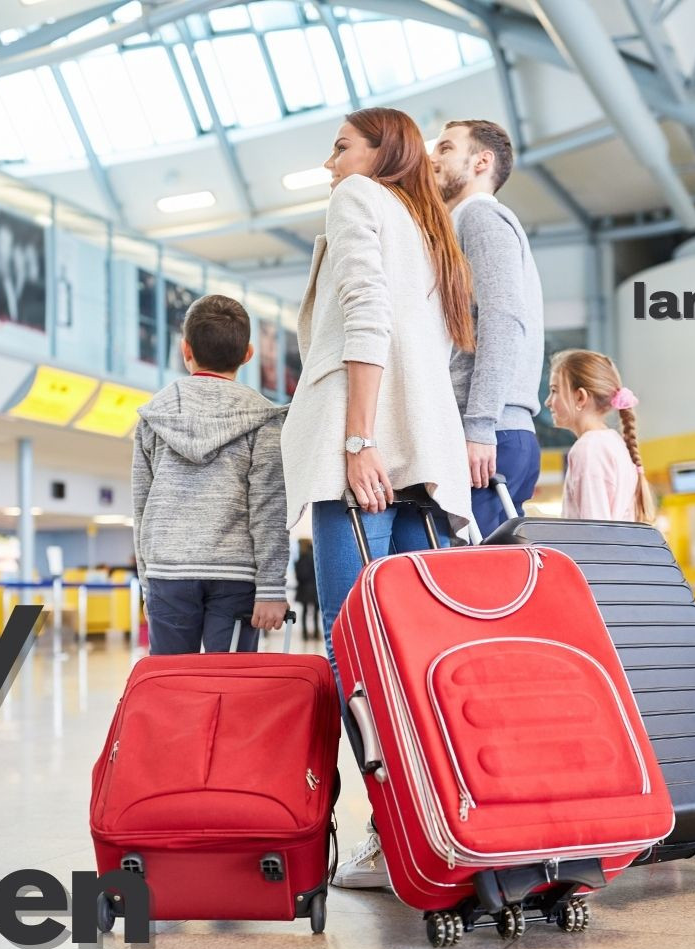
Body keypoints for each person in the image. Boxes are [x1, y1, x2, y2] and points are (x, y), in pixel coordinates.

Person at [280, 107, 475, 889]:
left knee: (353, 649)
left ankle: (390, 835)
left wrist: (358, 440)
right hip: (425, 452)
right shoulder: (423, 225)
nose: (330, 165)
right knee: (418, 650)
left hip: (371, 451)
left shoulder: (359, 200)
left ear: (378, 152)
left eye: (340, 148)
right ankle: (444, 822)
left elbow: (364, 318)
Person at [131, 294, 290, 655]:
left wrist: (147, 582)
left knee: (171, 686)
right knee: (230, 688)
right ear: (248, 354)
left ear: (185, 349)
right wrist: (270, 588)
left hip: (167, 574)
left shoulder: (153, 417)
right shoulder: (263, 420)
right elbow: (269, 509)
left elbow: (141, 507)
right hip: (236, 577)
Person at [430, 119, 545, 537]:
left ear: (482, 161)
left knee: (478, 591)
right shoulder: (463, 221)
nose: (431, 158)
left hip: (490, 432)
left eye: (445, 148)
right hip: (494, 430)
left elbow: (502, 318)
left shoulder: (478, 216)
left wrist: (479, 425)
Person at [545, 350, 656, 523]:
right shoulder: (613, 442)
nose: (548, 401)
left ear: (580, 397)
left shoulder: (588, 448)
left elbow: (593, 533)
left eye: (554, 390)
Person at [295, 539, 319, 640]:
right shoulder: (315, 557)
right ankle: (316, 633)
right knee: (315, 613)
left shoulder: (302, 559)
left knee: (305, 612)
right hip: (315, 589)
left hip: (305, 589)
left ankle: (305, 634)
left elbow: (301, 575)